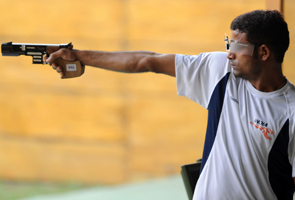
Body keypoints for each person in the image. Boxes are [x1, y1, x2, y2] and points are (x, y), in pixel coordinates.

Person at [46, 10, 295, 200]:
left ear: (263, 53)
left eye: (238, 46)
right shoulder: (220, 70)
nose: (229, 52)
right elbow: (147, 61)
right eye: (228, 43)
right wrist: (78, 56)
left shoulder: (292, 110)